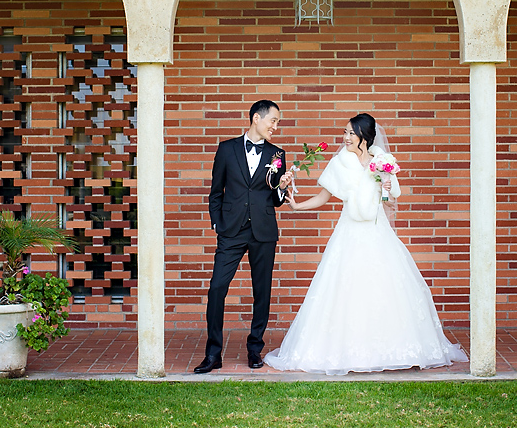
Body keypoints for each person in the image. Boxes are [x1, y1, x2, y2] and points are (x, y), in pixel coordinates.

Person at [264, 113, 468, 375]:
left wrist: (386, 183)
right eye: (345, 132)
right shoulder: (340, 162)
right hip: (348, 233)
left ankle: (392, 349)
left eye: (350, 133)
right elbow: (324, 196)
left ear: (365, 136)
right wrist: (297, 205)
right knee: (344, 288)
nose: (345, 138)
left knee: (385, 287)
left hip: (377, 232)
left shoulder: (382, 161)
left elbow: (390, 197)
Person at [194, 100, 293, 373]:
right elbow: (216, 192)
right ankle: (213, 354)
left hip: (263, 231)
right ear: (256, 118)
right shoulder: (226, 149)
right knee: (217, 289)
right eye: (273, 120)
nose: (276, 126)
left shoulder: (278, 154)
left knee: (262, 292)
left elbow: (275, 199)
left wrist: (282, 188)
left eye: (278, 122)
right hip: (231, 231)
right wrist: (218, 224)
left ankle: (254, 349)